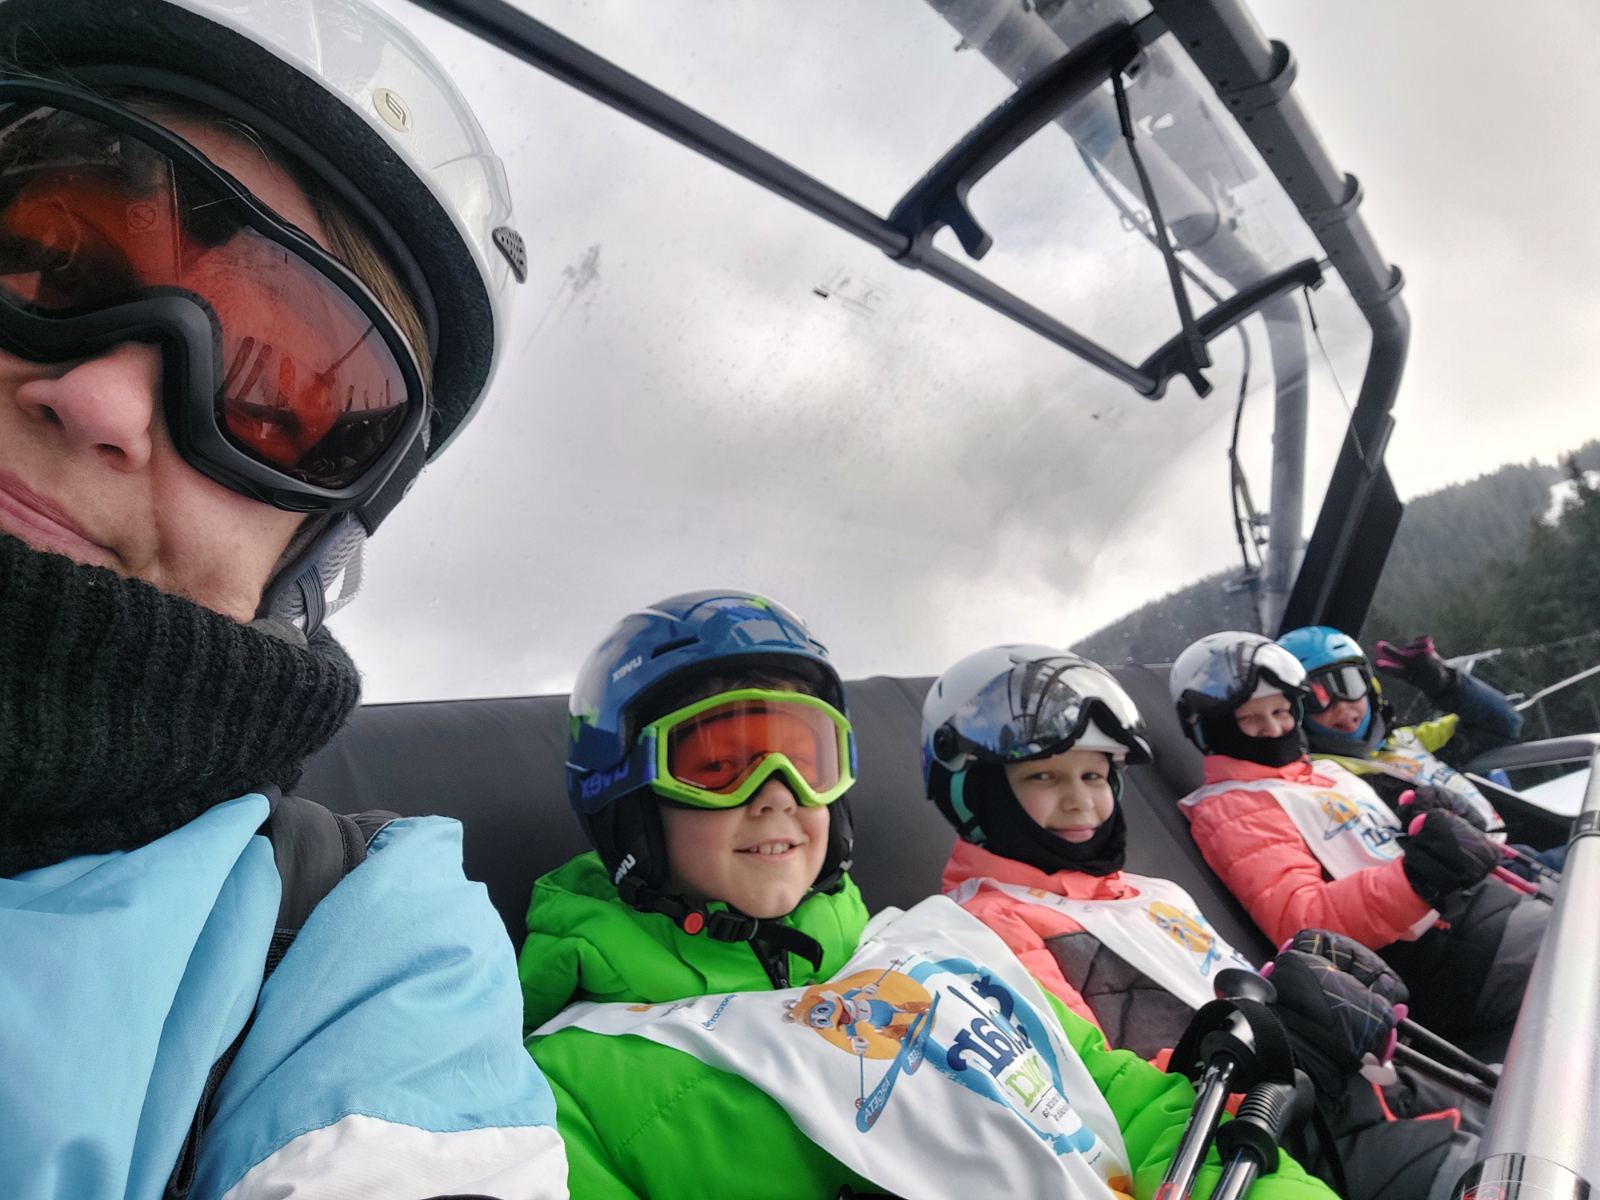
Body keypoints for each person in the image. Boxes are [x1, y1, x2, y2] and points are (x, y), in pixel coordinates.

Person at [0, 2, 565, 1197]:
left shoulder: (347, 949)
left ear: (312, 548)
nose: (101, 400)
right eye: (51, 249)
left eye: (279, 398)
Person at [520, 591, 1335, 1200]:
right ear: (627, 799)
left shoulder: (936, 948)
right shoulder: (571, 1088)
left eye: (805, 759)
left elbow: (1129, 1101)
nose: (775, 795)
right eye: (718, 765)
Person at [924, 643, 1480, 1200]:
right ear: (976, 792)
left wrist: (1306, 985)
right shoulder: (989, 929)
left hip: (1354, 1100)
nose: (1079, 801)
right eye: (1045, 777)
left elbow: (1213, 988)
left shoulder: (1148, 892)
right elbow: (1096, 1096)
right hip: (1259, 1152)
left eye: (1093, 775)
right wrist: (1270, 1043)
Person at [1168, 631, 1546, 1060]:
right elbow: (1302, 920)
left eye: (1280, 711)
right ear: (1213, 729)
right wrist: (1419, 877)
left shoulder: (1323, 774)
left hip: (1486, 913)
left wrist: (1431, 824)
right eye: (1251, 720)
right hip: (1449, 963)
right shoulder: (1232, 809)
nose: (1272, 729)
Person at [1276, 626, 1522, 830]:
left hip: (1508, 853)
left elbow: (1502, 724)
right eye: (1315, 699)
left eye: (1348, 685)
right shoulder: (1319, 783)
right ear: (1296, 714)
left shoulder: (1410, 741)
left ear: (1370, 687)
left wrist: (1446, 685)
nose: (1341, 708)